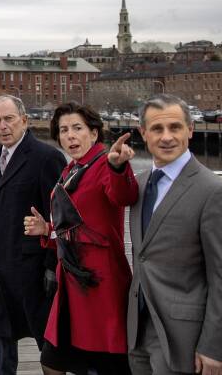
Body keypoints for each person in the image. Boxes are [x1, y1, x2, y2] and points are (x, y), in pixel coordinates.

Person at [127, 94, 222, 375]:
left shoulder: (215, 192)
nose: (166, 137)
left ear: (190, 130)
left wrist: (215, 347)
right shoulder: (139, 185)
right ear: (143, 133)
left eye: (175, 127)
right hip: (138, 330)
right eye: (157, 129)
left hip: (185, 338)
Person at [24, 102, 138, 375]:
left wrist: (120, 168)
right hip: (72, 281)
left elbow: (124, 196)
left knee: (105, 363)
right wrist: (47, 229)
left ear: (94, 133)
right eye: (64, 130)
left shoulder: (104, 163)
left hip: (100, 284)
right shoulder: (71, 169)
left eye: (77, 128)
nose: (70, 136)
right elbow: (73, 226)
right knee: (51, 360)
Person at [0, 95, 66, 374]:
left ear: (24, 121)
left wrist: (50, 269)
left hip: (34, 270)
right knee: (0, 332)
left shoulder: (46, 158)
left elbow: (58, 217)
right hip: (1, 266)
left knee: (48, 342)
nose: (3, 126)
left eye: (9, 119)